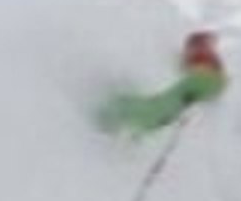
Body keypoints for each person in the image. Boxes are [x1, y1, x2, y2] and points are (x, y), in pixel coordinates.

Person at [98, 31, 229, 137]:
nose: (187, 53)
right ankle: (121, 123)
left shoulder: (204, 68)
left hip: (198, 86)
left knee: (153, 112)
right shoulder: (211, 71)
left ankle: (112, 117)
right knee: (157, 114)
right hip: (201, 87)